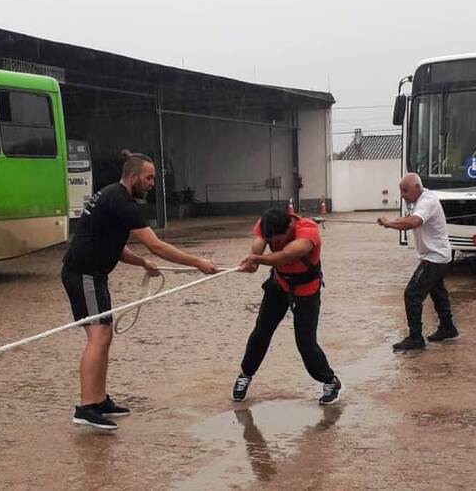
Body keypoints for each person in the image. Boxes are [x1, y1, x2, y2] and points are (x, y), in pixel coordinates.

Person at [61, 150, 218, 431]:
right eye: (149, 177)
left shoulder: (112, 196)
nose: (152, 183)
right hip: (83, 275)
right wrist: (198, 263)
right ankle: (85, 408)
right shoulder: (121, 202)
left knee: (104, 336)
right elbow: (156, 245)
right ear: (133, 176)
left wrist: (141, 262)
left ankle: (99, 401)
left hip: (94, 276)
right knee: (98, 337)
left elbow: (111, 244)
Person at [233, 208, 343, 405]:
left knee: (305, 343)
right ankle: (245, 374)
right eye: (270, 240)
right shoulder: (265, 225)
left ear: (290, 227)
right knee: (261, 332)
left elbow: (285, 256)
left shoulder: (307, 231)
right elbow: (255, 255)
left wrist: (257, 259)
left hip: (307, 291)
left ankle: (330, 381)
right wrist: (250, 261)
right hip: (279, 284)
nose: (273, 244)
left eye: (277, 240)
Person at [378, 173, 459, 350]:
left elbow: (414, 221)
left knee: (412, 293)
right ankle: (448, 327)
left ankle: (415, 337)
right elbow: (409, 219)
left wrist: (389, 224)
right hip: (439, 254)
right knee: (437, 292)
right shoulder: (418, 200)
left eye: (405, 191)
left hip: (435, 257)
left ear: (417, 188)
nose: (403, 195)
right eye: (401, 191)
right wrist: (394, 222)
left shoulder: (427, 201)